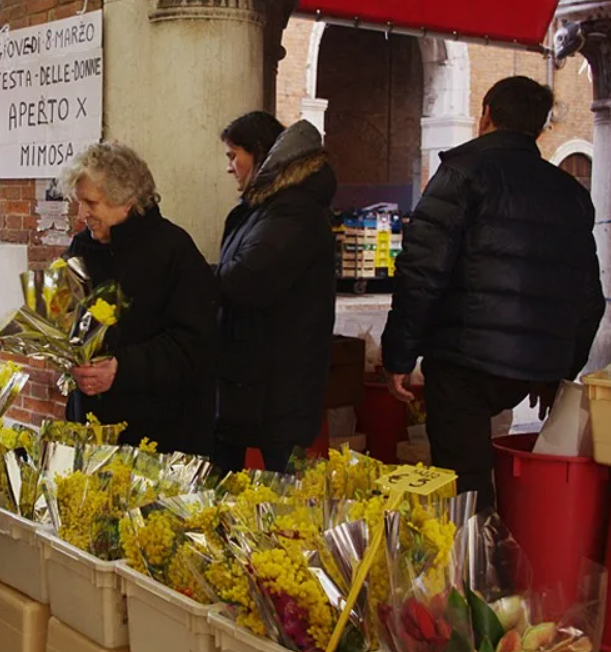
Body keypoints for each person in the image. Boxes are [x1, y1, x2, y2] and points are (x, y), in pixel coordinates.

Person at [381, 76, 605, 511]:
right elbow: (588, 298)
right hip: (525, 370)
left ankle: (477, 569)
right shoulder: (569, 194)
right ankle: (497, 555)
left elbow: (421, 272)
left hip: (462, 359)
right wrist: (557, 370)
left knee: (464, 483)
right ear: (538, 128)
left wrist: (398, 357)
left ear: (486, 115)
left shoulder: (462, 173)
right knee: (492, 471)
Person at [60, 142, 217, 455]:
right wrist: (67, 362)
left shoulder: (174, 251)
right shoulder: (80, 248)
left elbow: (194, 345)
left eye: (91, 203)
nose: (82, 215)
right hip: (91, 428)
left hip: (160, 435)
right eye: (79, 203)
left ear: (126, 203)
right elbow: (64, 323)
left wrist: (121, 368)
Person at [214, 113, 337, 473]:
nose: (230, 167)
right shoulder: (266, 209)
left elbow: (247, 280)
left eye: (233, 155)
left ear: (259, 153)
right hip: (254, 379)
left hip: (278, 385)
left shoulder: (292, 211)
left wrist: (192, 276)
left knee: (282, 502)